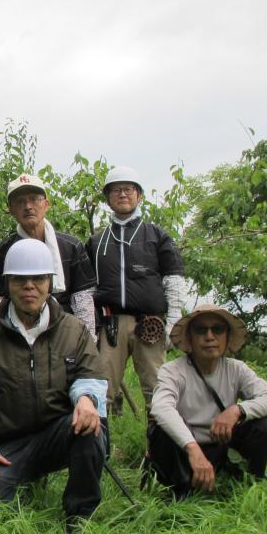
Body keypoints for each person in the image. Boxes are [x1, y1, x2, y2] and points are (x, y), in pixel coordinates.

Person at [0, 239, 108, 530]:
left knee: (90, 429)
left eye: (38, 278)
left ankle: (79, 516)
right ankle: (19, 478)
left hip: (58, 434)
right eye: (20, 279)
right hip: (5, 446)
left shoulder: (74, 330)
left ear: (50, 282)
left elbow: (91, 376)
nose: (29, 286)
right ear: (8, 283)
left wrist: (86, 397)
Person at [147, 304, 267, 498]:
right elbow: (160, 408)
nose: (209, 336)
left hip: (221, 447)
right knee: (160, 429)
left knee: (266, 425)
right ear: (190, 338)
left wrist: (237, 410)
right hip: (184, 450)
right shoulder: (172, 370)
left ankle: (245, 482)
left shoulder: (237, 369)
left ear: (227, 337)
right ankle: (180, 490)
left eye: (217, 330)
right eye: (201, 330)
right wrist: (192, 448)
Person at [86, 165, 187, 416]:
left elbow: (173, 279)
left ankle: (159, 451)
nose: (123, 194)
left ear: (139, 195)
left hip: (150, 324)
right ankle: (99, 451)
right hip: (111, 325)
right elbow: (86, 288)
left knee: (158, 392)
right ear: (108, 198)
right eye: (116, 190)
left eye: (129, 189)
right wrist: (90, 326)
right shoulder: (96, 242)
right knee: (102, 391)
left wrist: (174, 321)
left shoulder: (156, 235)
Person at [0, 173, 97, 337]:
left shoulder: (71, 247)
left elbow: (83, 300)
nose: (28, 206)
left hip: (66, 333)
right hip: (18, 332)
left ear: (46, 204)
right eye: (20, 201)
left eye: (34, 199)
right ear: (10, 209)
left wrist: (86, 341)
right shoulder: (3, 251)